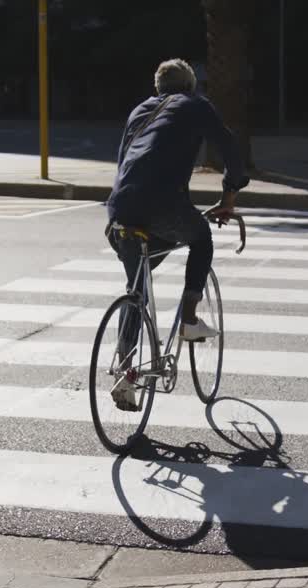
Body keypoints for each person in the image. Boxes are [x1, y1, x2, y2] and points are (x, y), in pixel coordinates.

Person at [104, 58, 248, 411]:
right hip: (162, 207)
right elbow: (230, 148)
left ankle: (126, 373)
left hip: (119, 212)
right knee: (200, 238)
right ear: (191, 86)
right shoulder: (195, 105)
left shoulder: (140, 110)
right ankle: (188, 320)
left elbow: (125, 161)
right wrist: (229, 196)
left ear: (157, 88)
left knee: (136, 286)